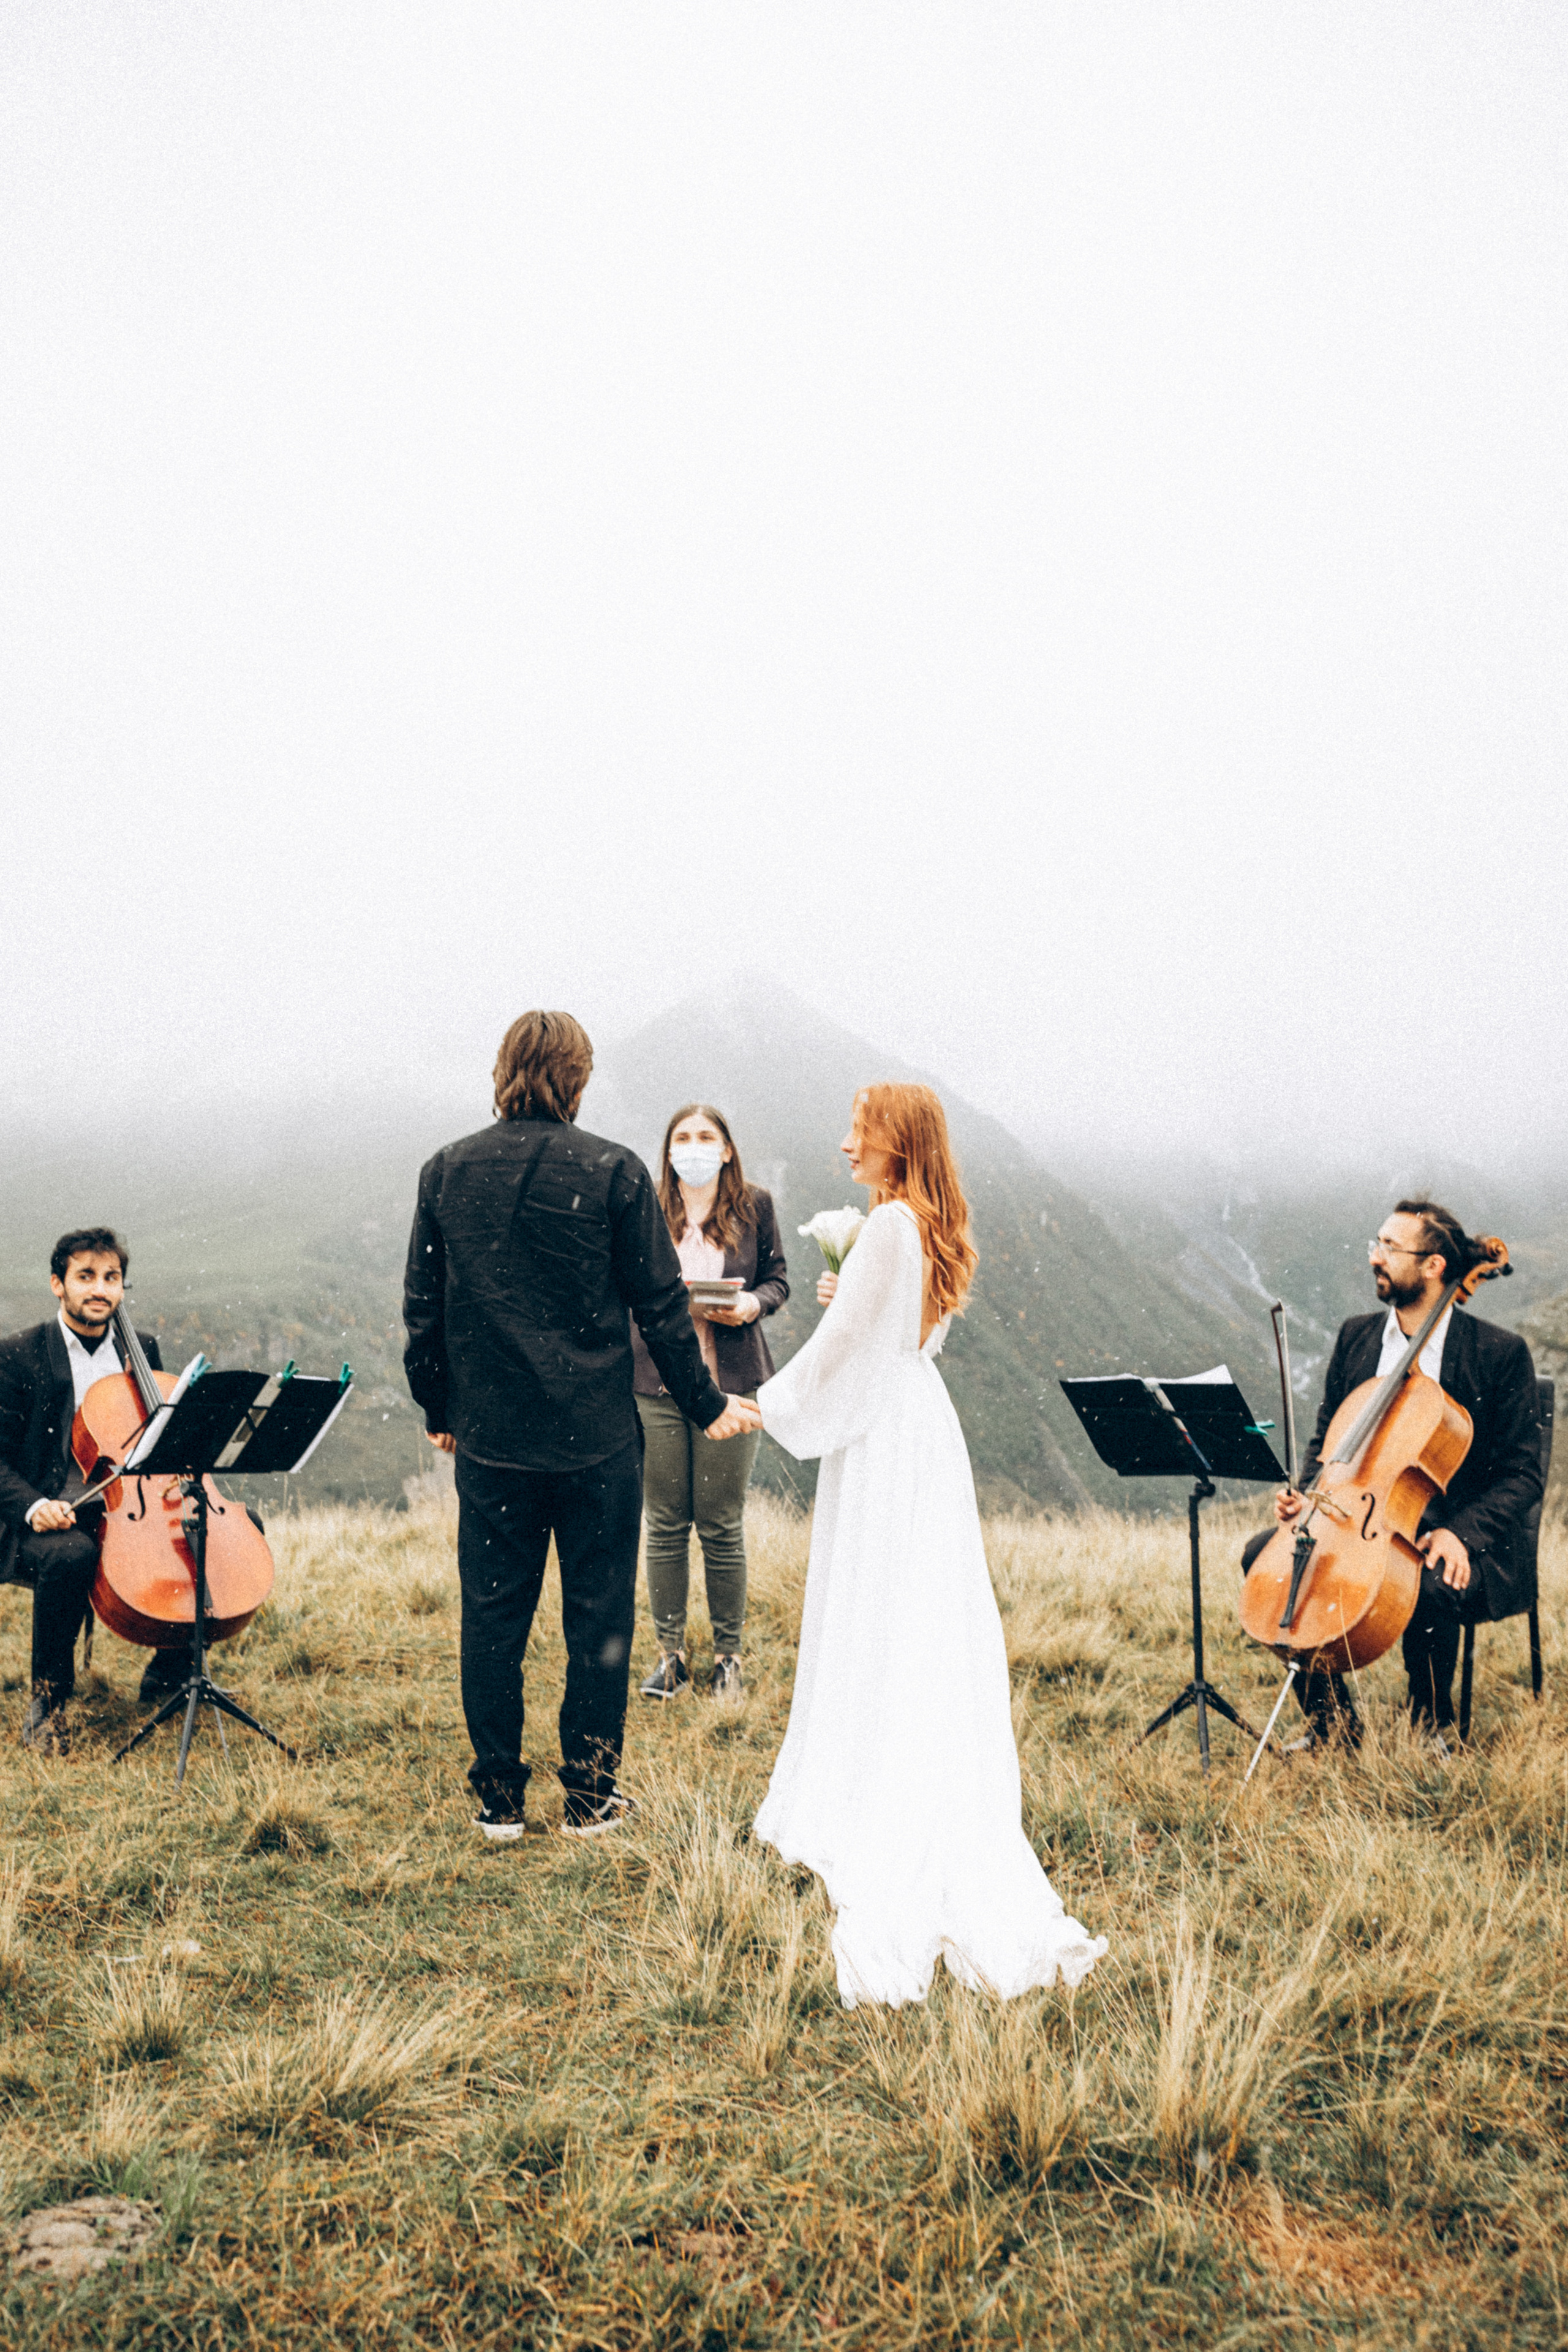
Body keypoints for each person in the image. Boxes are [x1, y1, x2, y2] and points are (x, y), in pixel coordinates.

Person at [752, 1082, 1107, 2008]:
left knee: (874, 1600)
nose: (845, 1146)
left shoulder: (887, 1230)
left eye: (860, 1132)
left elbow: (841, 1358)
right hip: (922, 1428)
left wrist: (767, 1404)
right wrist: (850, 1292)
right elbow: (907, 1335)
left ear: (897, 1141)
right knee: (917, 1609)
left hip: (882, 1439)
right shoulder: (930, 1229)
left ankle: (871, 1774)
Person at [402, 1011, 761, 1842]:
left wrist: (439, 1408)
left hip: (492, 1437)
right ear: (577, 1077)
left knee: (492, 1618)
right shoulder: (613, 1170)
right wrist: (705, 1404)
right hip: (597, 1436)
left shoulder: (446, 1171)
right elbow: (661, 1309)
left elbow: (424, 1307)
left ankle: (498, 1799)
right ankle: (590, 1797)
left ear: (503, 1071)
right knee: (596, 1619)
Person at [1243, 1200, 1543, 1754]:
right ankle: (1332, 1725)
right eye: (1374, 1244)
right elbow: (1327, 1441)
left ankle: (1433, 1726)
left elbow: (1523, 1474)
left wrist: (1462, 1533)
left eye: (1389, 1248)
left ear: (1433, 1267)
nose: (1374, 1258)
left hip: (1458, 1530)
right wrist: (1308, 1498)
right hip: (1358, 1517)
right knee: (1267, 1558)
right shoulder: (1357, 1338)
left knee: (1427, 1581)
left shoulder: (1499, 1354)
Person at [0, 1229, 185, 1754]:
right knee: (71, 1555)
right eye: (85, 1277)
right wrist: (34, 1507)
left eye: (111, 1278)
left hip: (125, 1507)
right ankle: (48, 1704)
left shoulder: (141, 1348)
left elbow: (155, 1438)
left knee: (205, 1536)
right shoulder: (18, 1354)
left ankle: (170, 1674)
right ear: (58, 1285)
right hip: (41, 1511)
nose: (99, 1290)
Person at [633, 1104, 788, 1705]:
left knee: (721, 1523)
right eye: (682, 1138)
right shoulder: (645, 1207)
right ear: (668, 1151)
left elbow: (778, 1278)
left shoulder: (756, 1206)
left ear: (726, 1149)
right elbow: (624, 1283)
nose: (693, 1147)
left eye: (705, 1137)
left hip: (734, 1379)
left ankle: (728, 1657)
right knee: (666, 1522)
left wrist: (752, 1304)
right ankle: (669, 1655)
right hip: (656, 1384)